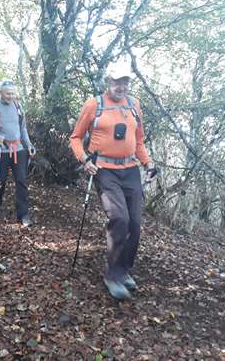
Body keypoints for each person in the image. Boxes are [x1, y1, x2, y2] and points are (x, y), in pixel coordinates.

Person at [69, 62, 157, 300]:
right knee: (120, 218)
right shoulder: (94, 105)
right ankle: (112, 274)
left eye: (125, 81)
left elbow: (138, 141)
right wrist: (84, 159)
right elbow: (76, 137)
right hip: (104, 169)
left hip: (130, 170)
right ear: (108, 81)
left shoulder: (134, 105)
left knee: (135, 224)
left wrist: (148, 163)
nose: (121, 86)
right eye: (117, 81)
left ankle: (123, 270)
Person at [0, 79, 36, 227]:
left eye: (12, 93)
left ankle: (23, 214)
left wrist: (29, 144)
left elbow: (23, 129)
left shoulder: (18, 106)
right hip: (0, 149)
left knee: (21, 181)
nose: (10, 96)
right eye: (7, 93)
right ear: (1, 92)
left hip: (18, 149)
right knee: (1, 180)